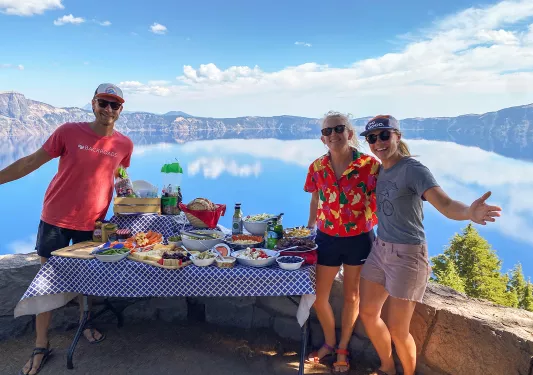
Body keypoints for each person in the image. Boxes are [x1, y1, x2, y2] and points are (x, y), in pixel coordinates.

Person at [0, 83, 134, 375]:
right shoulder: (68, 132)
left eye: (115, 105)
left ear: (121, 110)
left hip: (93, 224)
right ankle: (40, 344)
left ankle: (84, 324)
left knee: (85, 280)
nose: (108, 109)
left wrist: (131, 207)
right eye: (103, 102)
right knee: (47, 283)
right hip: (55, 220)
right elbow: (31, 162)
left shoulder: (124, 145)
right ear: (93, 103)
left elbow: (121, 180)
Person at [357, 115, 502, 375]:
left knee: (398, 331)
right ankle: (387, 367)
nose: (378, 142)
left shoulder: (413, 169)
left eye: (384, 135)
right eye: (372, 138)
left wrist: (470, 212)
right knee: (367, 313)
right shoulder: (381, 169)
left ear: (397, 136)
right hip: (380, 250)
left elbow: (445, 204)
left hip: (407, 256)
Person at [304, 111, 380, 374]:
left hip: (359, 239)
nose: (333, 135)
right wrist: (309, 228)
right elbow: (315, 199)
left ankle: (343, 349)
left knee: (352, 297)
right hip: (326, 238)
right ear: (323, 139)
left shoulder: (371, 166)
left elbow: (387, 198)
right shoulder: (316, 167)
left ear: (349, 133)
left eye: (338, 129)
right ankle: (329, 343)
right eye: (327, 131)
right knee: (318, 297)